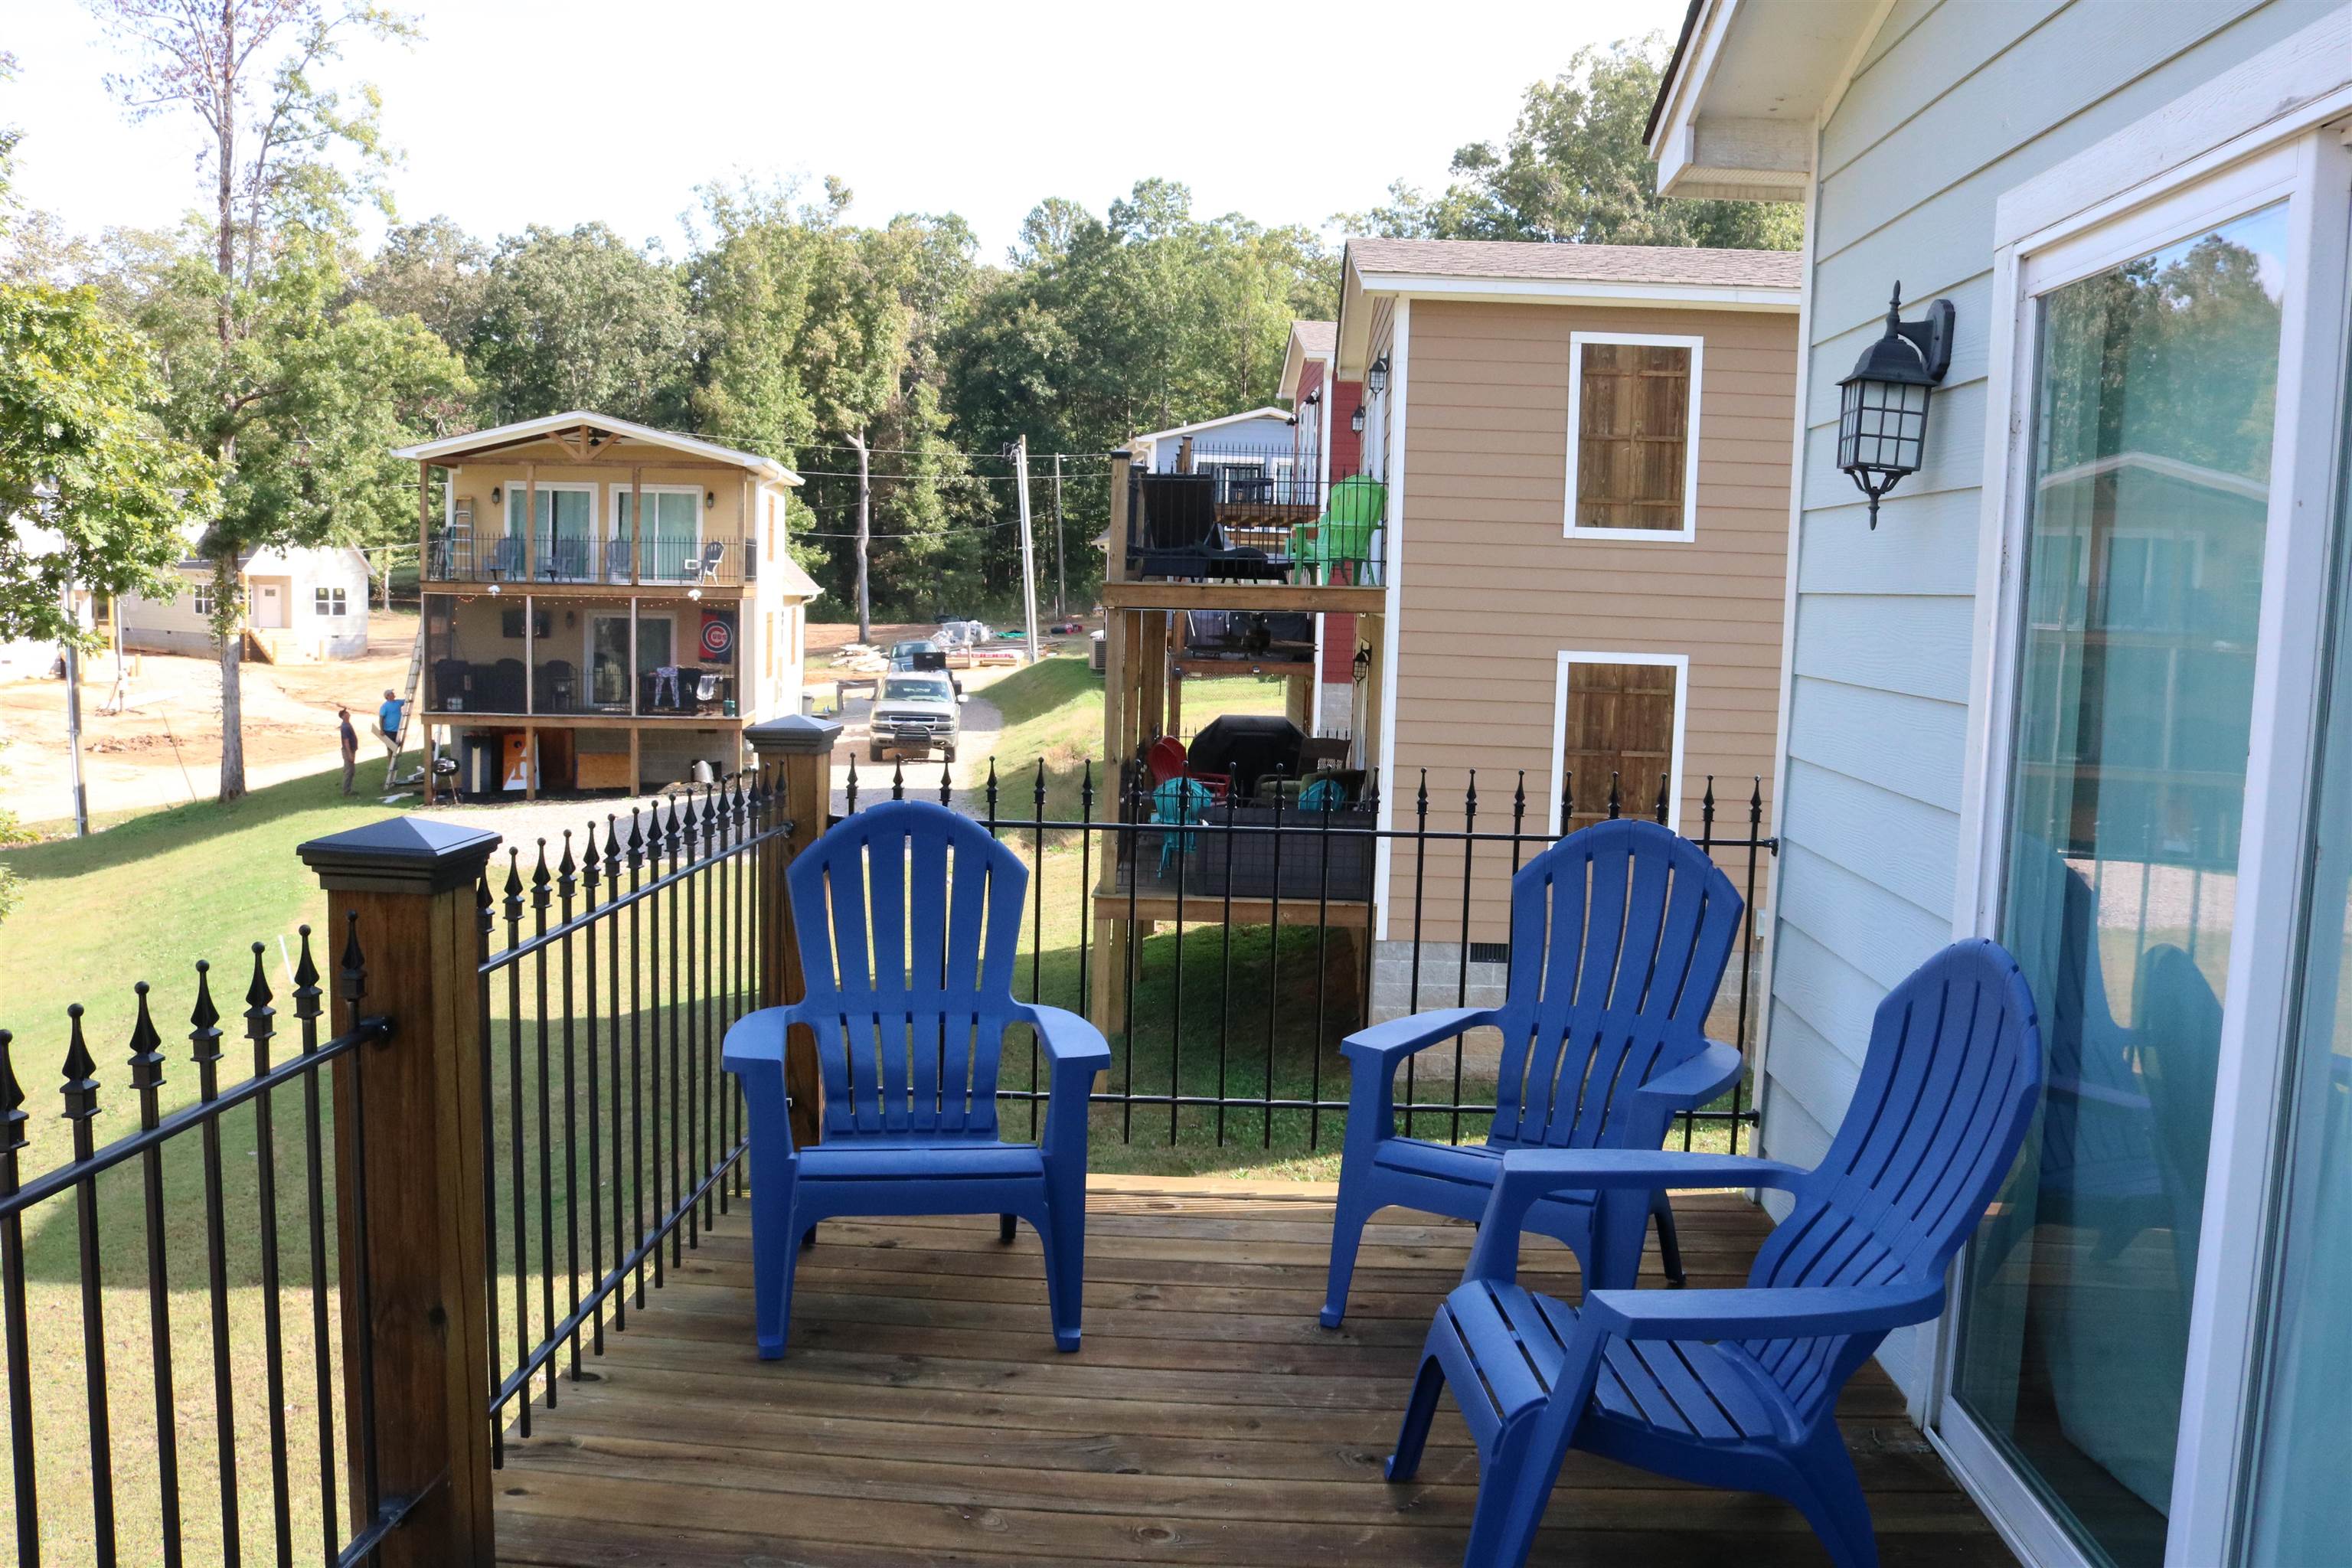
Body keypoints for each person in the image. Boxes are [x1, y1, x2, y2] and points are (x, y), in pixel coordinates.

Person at [377, 688, 404, 761]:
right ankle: (390, 764)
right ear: (388, 696)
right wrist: (381, 730)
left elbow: (407, 700)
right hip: (388, 730)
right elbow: (381, 718)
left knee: (397, 745)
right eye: (391, 693)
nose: (393, 694)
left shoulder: (398, 702)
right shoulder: (385, 706)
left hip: (397, 730)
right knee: (390, 748)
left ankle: (393, 762)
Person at [338, 707, 358, 795]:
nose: (348, 714)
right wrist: (350, 754)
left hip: (350, 750)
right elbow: (346, 742)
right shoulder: (345, 727)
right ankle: (346, 792)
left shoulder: (347, 724)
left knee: (351, 771)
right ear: (343, 716)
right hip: (348, 751)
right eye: (346, 713)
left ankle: (348, 790)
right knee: (349, 771)